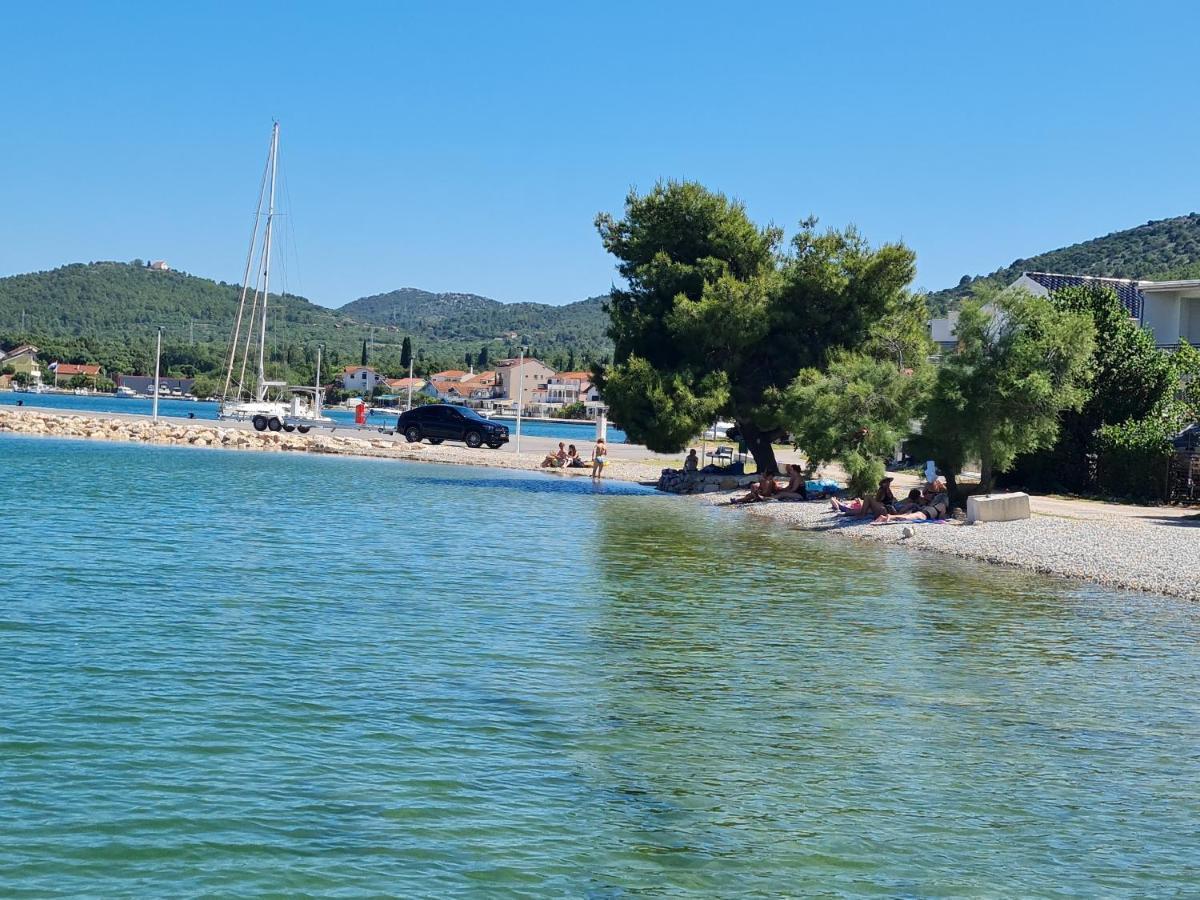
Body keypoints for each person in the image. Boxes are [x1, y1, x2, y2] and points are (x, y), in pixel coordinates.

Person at [871, 481, 949, 525]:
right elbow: (941, 517)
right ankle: (890, 517)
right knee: (906, 517)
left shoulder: (934, 504)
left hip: (923, 513)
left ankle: (889, 516)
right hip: (923, 514)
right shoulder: (941, 505)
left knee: (906, 516)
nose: (924, 495)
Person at [833, 477, 897, 518]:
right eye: (887, 482)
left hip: (883, 510)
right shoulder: (888, 490)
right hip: (886, 510)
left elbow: (879, 500)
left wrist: (874, 498)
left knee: (867, 497)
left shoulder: (882, 489)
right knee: (864, 508)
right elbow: (887, 500)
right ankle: (849, 513)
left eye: (888, 482)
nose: (888, 483)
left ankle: (862, 514)